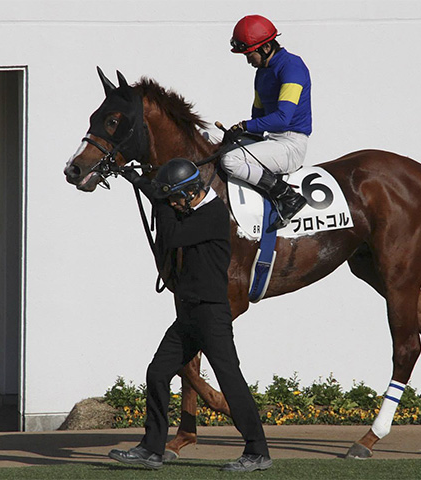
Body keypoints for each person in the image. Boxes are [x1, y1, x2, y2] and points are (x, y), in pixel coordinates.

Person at [108, 158, 272, 472]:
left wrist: (158, 198)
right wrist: (137, 180)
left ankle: (258, 451)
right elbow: (166, 204)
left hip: (211, 315)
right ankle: (151, 449)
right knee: (157, 373)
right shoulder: (190, 205)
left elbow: (170, 234)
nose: (171, 203)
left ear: (190, 193)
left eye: (174, 198)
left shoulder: (213, 213)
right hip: (188, 315)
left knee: (230, 380)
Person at [223, 14, 311, 230]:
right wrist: (239, 133)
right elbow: (258, 116)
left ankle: (288, 196)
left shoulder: (292, 67)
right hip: (271, 140)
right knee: (219, 145)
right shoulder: (262, 73)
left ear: (266, 47)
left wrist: (244, 126)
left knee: (230, 160)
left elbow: (282, 119)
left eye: (249, 54)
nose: (248, 60)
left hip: (290, 145)